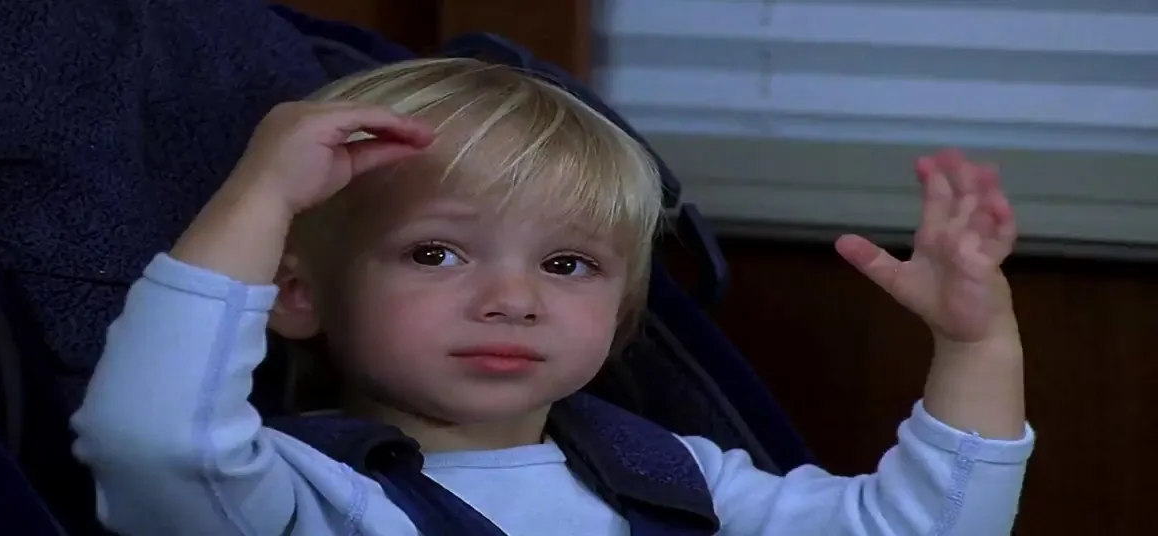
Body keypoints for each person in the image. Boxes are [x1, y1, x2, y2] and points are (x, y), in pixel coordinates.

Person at [71, 58, 1033, 535]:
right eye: (436, 253)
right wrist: (259, 199)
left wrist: (975, 347)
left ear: (620, 312)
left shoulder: (674, 477)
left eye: (567, 265)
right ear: (291, 293)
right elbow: (156, 438)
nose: (513, 298)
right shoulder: (292, 497)